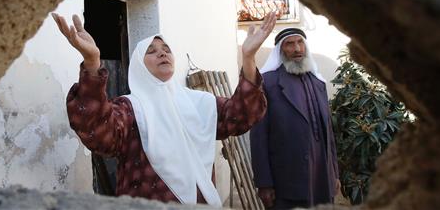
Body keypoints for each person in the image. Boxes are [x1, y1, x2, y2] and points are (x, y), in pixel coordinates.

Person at [52, 11, 277, 206]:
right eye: (151, 51)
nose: (162, 53)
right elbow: (98, 132)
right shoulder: (130, 109)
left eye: (166, 48)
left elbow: (242, 114)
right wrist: (92, 62)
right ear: (139, 65)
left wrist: (248, 58)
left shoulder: (199, 103)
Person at [250, 28, 340, 209]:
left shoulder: (318, 83)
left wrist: (335, 173)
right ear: (280, 50)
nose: (297, 49)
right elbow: (259, 137)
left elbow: (328, 133)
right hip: (287, 180)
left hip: (322, 176)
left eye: (300, 42)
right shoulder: (267, 83)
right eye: (290, 44)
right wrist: (264, 183)